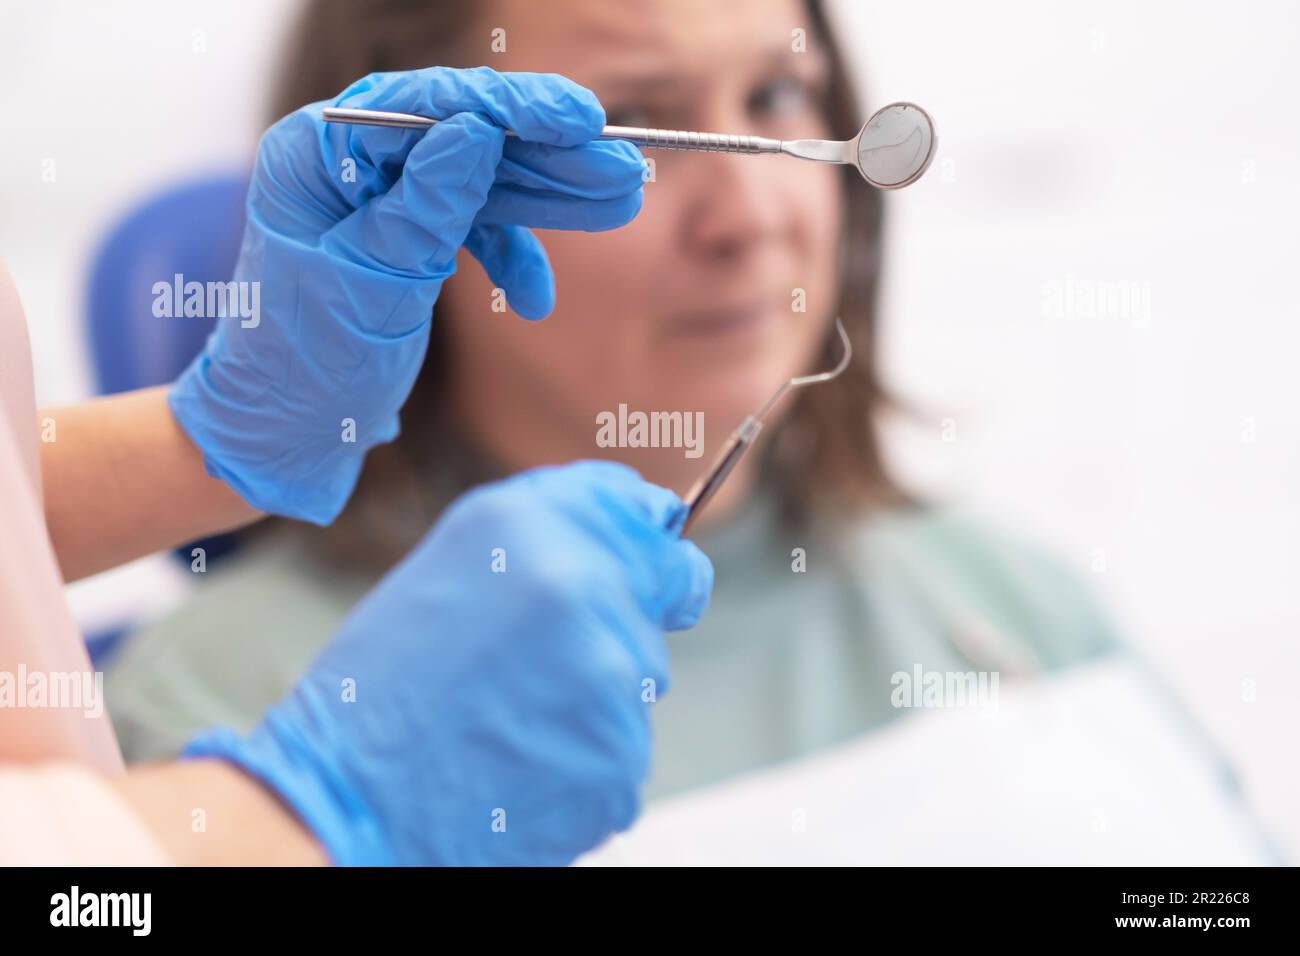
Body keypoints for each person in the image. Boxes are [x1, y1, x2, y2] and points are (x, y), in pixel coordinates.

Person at [110, 0, 1140, 801]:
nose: (747, 217)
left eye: (777, 97)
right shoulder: (215, 711)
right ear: (409, 200)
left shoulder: (1012, 606)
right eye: (634, 123)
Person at [0, 68, 712, 865]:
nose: (740, 223)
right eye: (639, 107)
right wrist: (312, 812)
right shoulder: (206, 670)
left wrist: (219, 437)